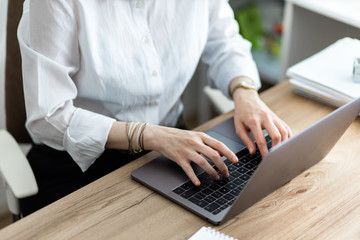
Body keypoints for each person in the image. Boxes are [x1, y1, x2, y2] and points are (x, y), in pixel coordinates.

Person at [18, 0, 292, 216]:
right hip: (79, 164)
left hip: (173, 146)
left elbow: (225, 43)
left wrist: (245, 93)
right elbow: (48, 116)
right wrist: (147, 135)